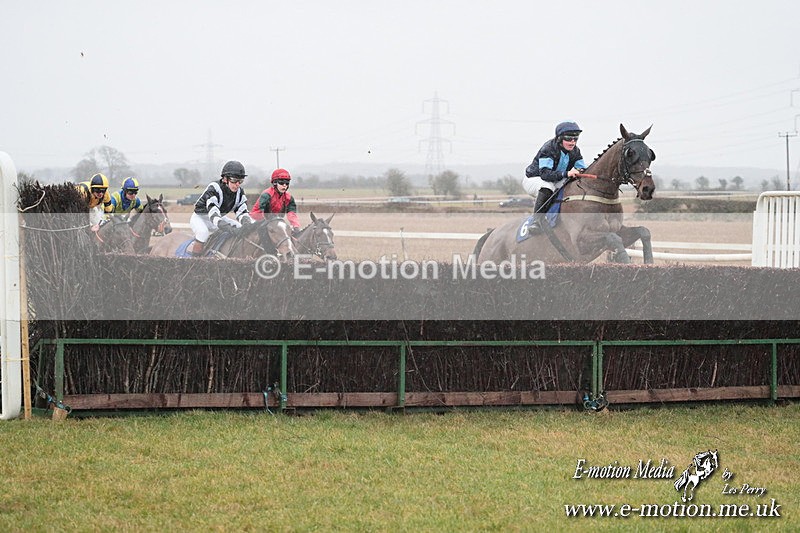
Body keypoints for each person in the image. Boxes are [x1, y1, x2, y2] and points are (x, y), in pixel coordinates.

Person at [522, 121, 587, 230]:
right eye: (568, 138)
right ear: (560, 138)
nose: (572, 142)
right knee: (548, 186)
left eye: (575, 139)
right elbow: (545, 174)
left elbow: (582, 169)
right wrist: (567, 173)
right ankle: (536, 222)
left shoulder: (575, 151)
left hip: (554, 179)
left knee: (570, 187)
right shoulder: (549, 149)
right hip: (534, 179)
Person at [189, 160, 254, 256]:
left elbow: (242, 212)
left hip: (219, 218)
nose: (237, 184)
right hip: (200, 218)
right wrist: (230, 229)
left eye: (240, 181)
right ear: (224, 179)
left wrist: (247, 224)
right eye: (234, 180)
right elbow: (213, 215)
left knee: (240, 228)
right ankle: (193, 262)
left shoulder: (239, 192)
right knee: (203, 233)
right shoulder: (214, 188)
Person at [250, 168, 301, 234]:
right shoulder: (267, 195)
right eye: (281, 182)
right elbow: (264, 213)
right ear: (274, 183)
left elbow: (292, 214)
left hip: (274, 222)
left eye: (287, 183)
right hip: (256, 221)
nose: (284, 185)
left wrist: (296, 226)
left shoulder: (289, 198)